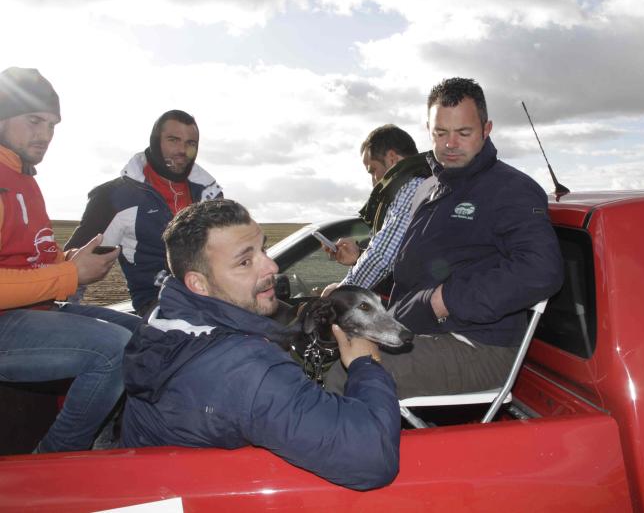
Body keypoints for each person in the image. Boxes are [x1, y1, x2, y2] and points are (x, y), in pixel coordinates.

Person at [121, 199, 400, 490]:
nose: (272, 266)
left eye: (263, 249)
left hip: (154, 484)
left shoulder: (163, 318)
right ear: (199, 284)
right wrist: (366, 365)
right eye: (245, 261)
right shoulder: (245, 368)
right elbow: (373, 458)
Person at [326, 77, 563, 398]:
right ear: (429, 130)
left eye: (463, 133)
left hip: (478, 345)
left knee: (343, 374)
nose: (450, 144)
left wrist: (445, 300)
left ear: (486, 129)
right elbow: (412, 264)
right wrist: (355, 284)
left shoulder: (510, 190)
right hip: (413, 329)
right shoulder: (428, 189)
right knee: (322, 348)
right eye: (440, 133)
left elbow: (540, 270)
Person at [0, 67, 140, 453]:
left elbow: (23, 260)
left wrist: (68, 260)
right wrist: (68, 275)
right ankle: (54, 460)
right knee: (113, 349)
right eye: (33, 121)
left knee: (145, 333)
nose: (44, 135)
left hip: (31, 309)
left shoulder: (24, 177)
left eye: (52, 125)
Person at [65, 110, 223, 316]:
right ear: (155, 141)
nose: (182, 150)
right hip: (161, 304)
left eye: (191, 143)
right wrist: (57, 322)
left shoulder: (210, 194)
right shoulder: (114, 198)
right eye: (173, 140)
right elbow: (75, 266)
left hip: (218, 296)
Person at [321, 125, 430, 298]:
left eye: (373, 170)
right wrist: (359, 256)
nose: (373, 181)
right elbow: (400, 257)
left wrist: (341, 293)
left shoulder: (412, 187)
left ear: (392, 158)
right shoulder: (421, 185)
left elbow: (381, 258)